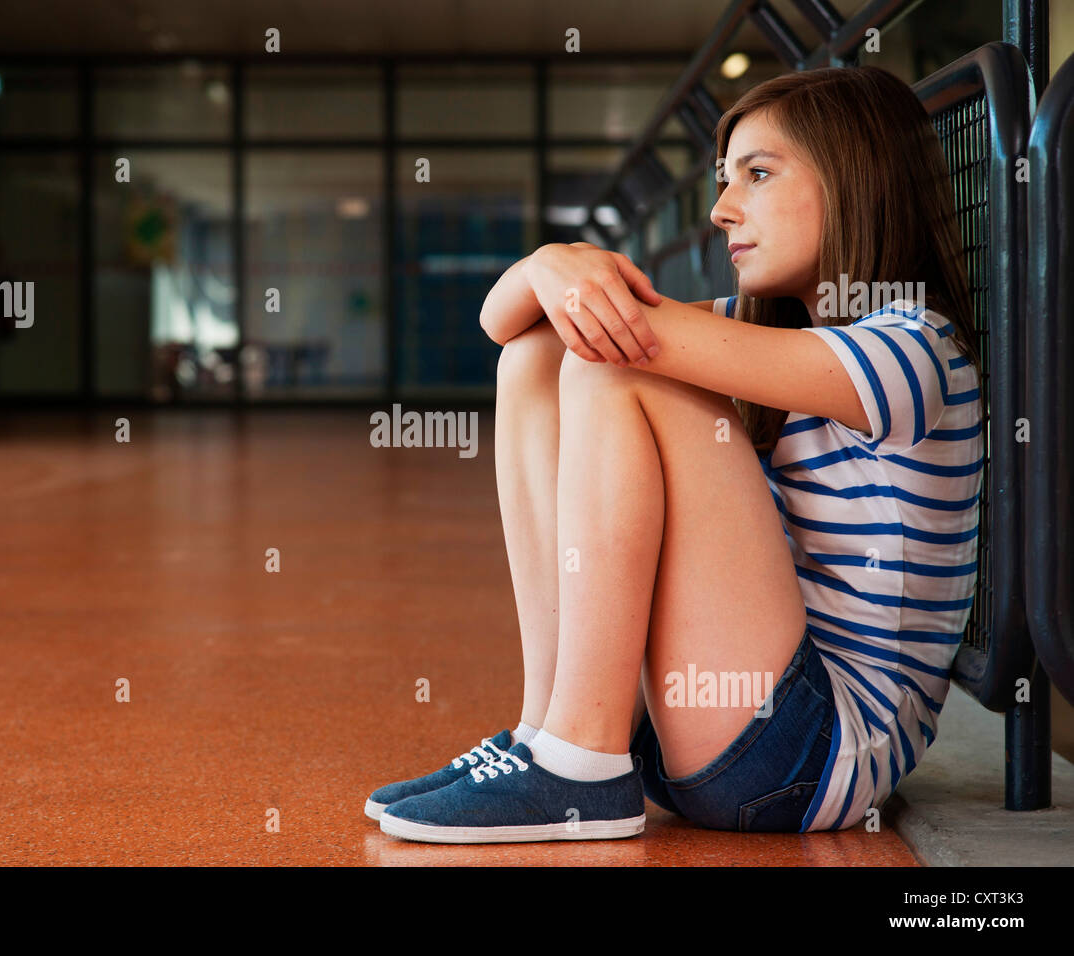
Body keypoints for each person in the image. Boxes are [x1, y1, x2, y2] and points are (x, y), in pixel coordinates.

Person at [367, 65, 984, 844]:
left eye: (757, 175)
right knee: (537, 354)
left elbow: (626, 337)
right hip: (715, 732)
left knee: (614, 355)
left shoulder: (915, 349)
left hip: (810, 755)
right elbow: (511, 326)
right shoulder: (778, 338)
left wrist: (565, 267)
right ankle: (549, 735)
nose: (723, 212)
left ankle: (581, 762)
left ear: (859, 179)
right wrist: (545, 263)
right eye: (725, 182)